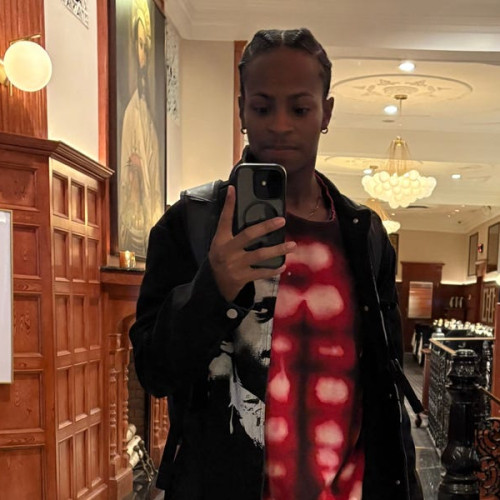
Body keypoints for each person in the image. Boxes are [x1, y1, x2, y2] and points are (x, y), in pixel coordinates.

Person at [130, 28, 423, 500]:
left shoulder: (364, 235)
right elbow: (154, 372)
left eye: (300, 109)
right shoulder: (192, 223)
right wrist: (213, 289)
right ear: (241, 110)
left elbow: (385, 379)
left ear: (326, 113)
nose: (280, 125)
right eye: (262, 108)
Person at [119, 0, 163, 257]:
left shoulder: (148, 111)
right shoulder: (131, 113)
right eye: (139, 43)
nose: (143, 52)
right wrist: (134, 172)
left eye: (146, 45)